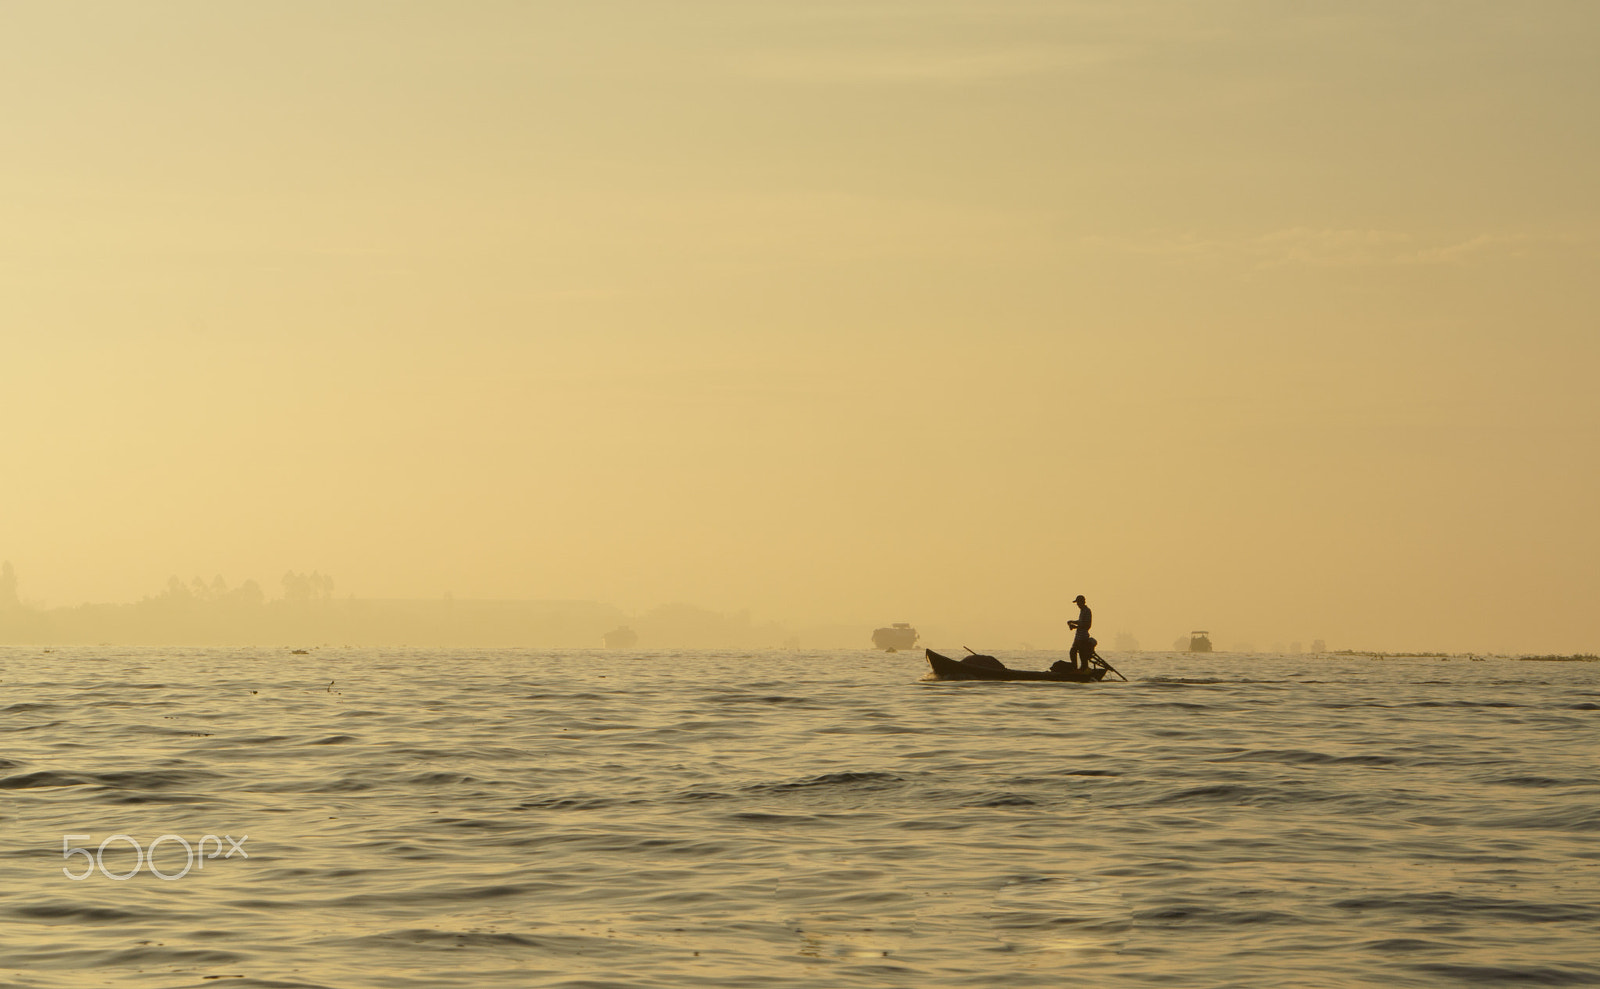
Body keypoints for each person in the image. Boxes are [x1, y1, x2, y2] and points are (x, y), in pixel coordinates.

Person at [1069, 594, 1094, 672]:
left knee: (1081, 654)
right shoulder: (1082, 611)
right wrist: (1072, 622)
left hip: (1083, 637)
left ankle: (1082, 670)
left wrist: (1075, 627)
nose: (1077, 605)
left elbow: (1087, 625)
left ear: (1082, 602)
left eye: (1078, 603)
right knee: (1072, 652)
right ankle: (1075, 668)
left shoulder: (1087, 611)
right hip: (1078, 637)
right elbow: (1081, 622)